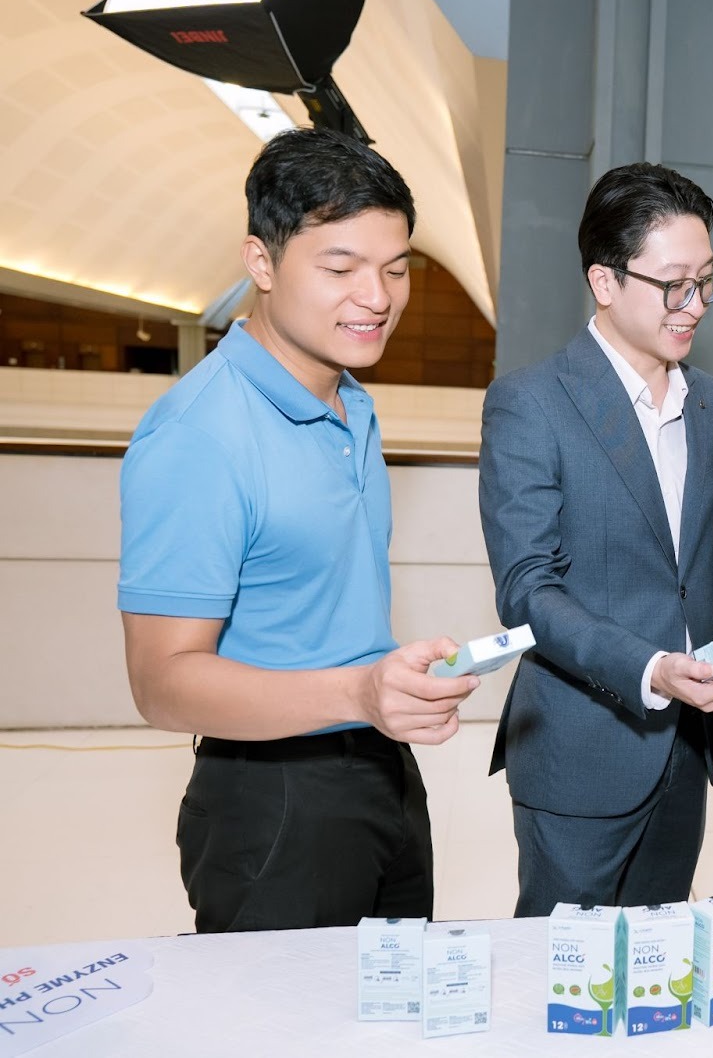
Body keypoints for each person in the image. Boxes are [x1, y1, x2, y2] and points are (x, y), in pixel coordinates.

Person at [119, 128, 478, 933]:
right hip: (271, 798)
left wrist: (385, 689)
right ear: (261, 262)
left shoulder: (352, 404)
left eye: (396, 269)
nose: (377, 297)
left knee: (395, 1002)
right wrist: (358, 691)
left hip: (381, 770)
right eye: (340, 269)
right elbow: (160, 684)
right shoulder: (198, 433)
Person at [479, 163, 713, 918]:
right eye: (673, 285)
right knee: (565, 971)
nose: (695, 305)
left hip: (687, 748)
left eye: (707, 281)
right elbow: (528, 588)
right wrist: (652, 669)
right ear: (604, 281)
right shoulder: (531, 402)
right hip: (582, 752)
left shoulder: (709, 403)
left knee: (663, 963)